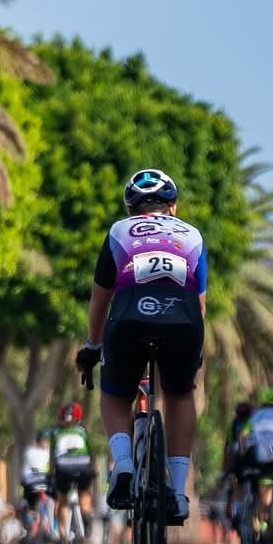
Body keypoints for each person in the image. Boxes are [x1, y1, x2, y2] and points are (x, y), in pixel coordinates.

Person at [75, 169, 207, 525]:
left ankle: (124, 464)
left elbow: (100, 301)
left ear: (131, 209)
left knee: (116, 394)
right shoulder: (192, 235)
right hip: (183, 317)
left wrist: (92, 346)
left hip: (130, 314)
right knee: (180, 394)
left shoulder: (120, 231)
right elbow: (201, 303)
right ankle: (178, 495)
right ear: (173, 208)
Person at [239, 385, 273, 530]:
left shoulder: (256, 416)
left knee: (264, 483)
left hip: (262, 454)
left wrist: (244, 452)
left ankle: (263, 523)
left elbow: (243, 436)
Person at [49, 401, 96, 544]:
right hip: (82, 467)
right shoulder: (82, 431)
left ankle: (62, 535)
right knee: (85, 492)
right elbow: (90, 452)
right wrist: (92, 469)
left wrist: (51, 473)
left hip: (63, 469)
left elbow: (52, 457)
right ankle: (86, 515)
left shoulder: (55, 433)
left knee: (62, 501)